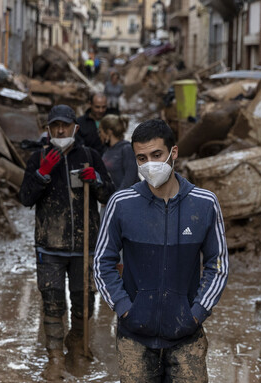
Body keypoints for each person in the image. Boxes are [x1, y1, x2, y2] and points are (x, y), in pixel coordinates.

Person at [94, 119, 229, 382]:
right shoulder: (121, 204)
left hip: (186, 338)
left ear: (173, 153)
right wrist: (124, 308)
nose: (149, 164)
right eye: (141, 158)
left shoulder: (204, 204)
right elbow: (102, 263)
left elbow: (218, 265)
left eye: (156, 155)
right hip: (135, 339)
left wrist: (197, 313)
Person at [19, 104, 115, 380]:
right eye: (54, 126)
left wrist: (95, 180)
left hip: (85, 246)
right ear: (48, 130)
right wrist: (42, 174)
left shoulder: (90, 156)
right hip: (49, 245)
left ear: (75, 127)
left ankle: (76, 342)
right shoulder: (37, 158)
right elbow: (25, 198)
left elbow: (109, 194)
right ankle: (55, 358)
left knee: (84, 299)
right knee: (52, 300)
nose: (60, 130)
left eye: (65, 125)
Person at [99, 114, 139, 190]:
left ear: (108, 132)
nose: (100, 134)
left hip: (127, 197)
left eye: (100, 131)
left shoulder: (126, 148)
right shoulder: (107, 150)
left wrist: (118, 197)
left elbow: (130, 178)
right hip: (112, 197)